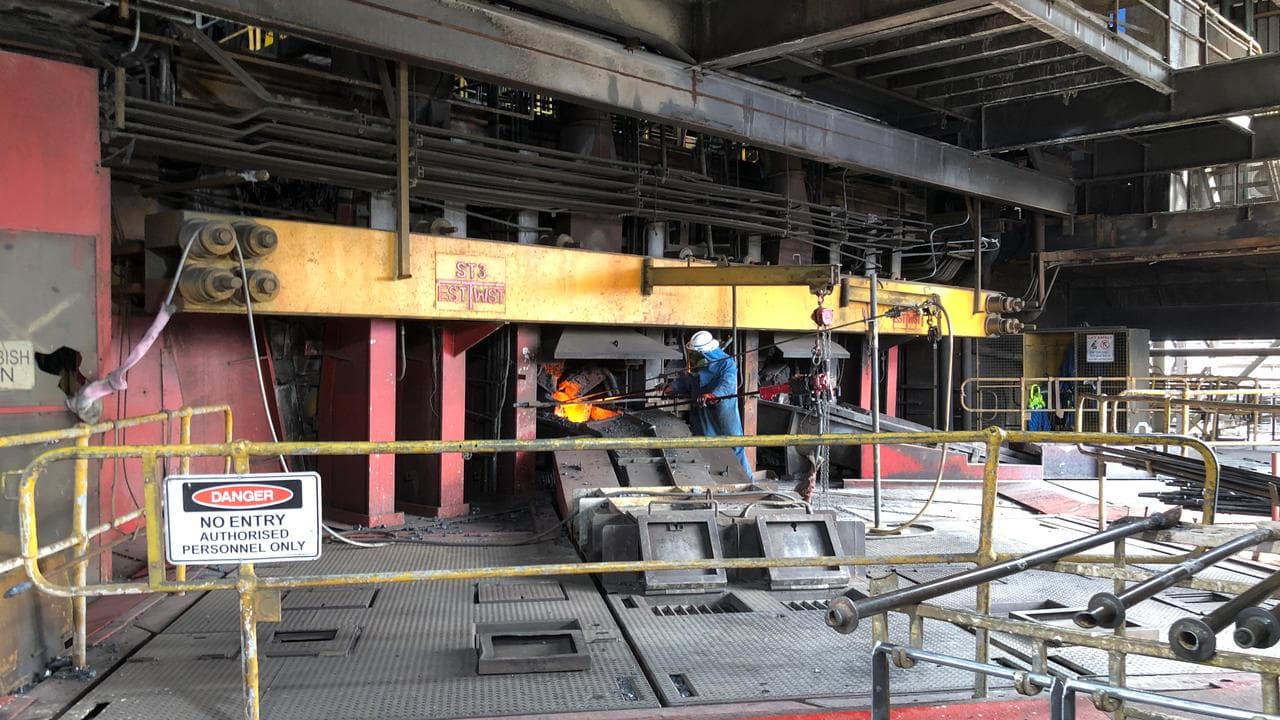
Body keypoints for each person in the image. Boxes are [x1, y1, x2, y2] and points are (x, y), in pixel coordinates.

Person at [663, 330, 752, 475]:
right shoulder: (698, 366)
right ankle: (714, 482)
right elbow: (687, 381)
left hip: (723, 411)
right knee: (706, 445)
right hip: (702, 411)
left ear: (706, 352)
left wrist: (713, 395)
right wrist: (672, 387)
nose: (693, 356)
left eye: (696, 353)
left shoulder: (726, 364)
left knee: (733, 446)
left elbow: (727, 384)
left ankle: (747, 481)